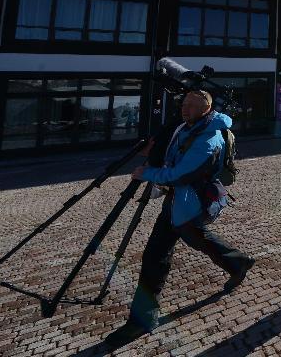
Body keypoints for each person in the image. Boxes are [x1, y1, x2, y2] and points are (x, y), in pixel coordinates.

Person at [105, 90, 254, 346]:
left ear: (206, 109)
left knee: (167, 250)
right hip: (178, 202)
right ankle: (237, 263)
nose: (186, 110)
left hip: (190, 203)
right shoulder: (188, 128)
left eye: (193, 106)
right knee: (181, 245)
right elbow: (173, 159)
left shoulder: (208, 138)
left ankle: (141, 320)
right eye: (184, 104)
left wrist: (148, 173)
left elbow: (182, 174)